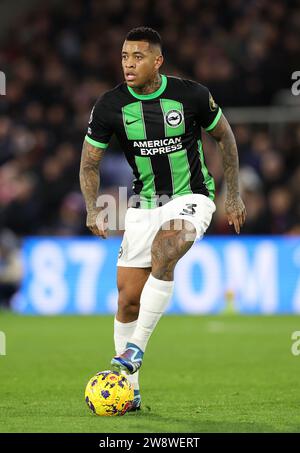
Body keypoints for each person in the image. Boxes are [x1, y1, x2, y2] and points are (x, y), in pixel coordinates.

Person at [79, 27, 246, 411]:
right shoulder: (109, 106)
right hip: (143, 205)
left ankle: (136, 347)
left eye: (137, 57)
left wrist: (232, 194)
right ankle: (130, 391)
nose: (128, 64)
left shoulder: (191, 95)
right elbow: (89, 162)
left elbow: (226, 138)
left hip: (192, 197)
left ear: (158, 61)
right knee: (127, 302)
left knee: (166, 248)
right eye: (124, 57)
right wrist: (92, 206)